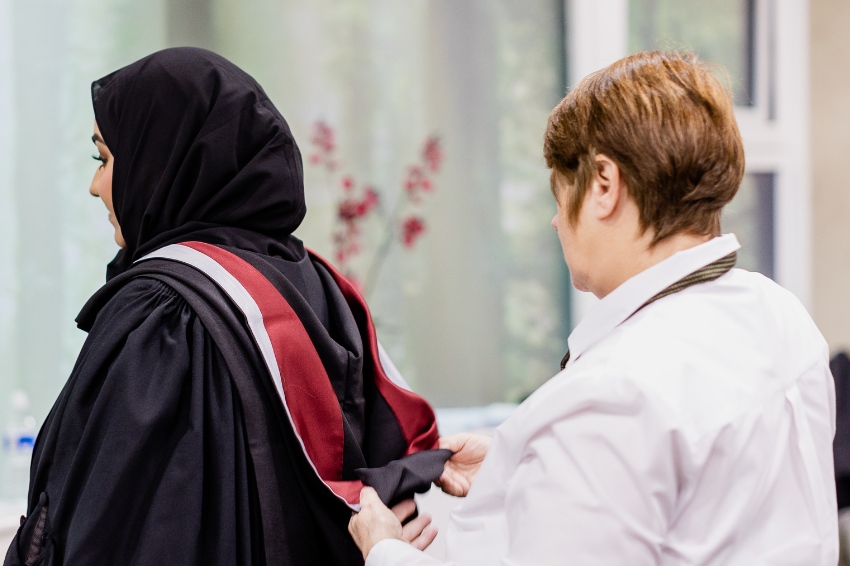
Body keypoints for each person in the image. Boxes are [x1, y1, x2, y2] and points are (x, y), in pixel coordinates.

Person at [349, 51, 838, 565]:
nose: (556, 221)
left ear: (604, 185)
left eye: (560, 196)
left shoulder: (610, 398)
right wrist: (529, 467)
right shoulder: (779, 313)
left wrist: (386, 552)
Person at [4, 47, 449, 566]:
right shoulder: (318, 285)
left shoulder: (163, 314)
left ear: (162, 160)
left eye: (103, 160)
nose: (94, 186)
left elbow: (111, 534)